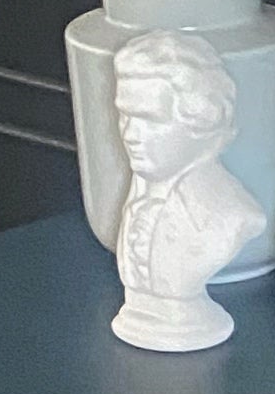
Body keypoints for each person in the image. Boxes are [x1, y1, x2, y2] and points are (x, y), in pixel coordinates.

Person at [110, 29, 265, 349]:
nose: (131, 134)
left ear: (200, 119)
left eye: (150, 119)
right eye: (126, 115)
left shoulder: (232, 214)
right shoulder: (135, 196)